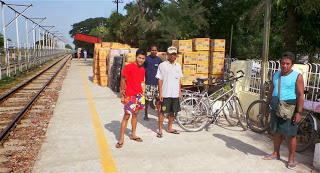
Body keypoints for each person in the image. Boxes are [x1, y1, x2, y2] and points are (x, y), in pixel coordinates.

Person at [263, 51, 304, 170]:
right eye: (283, 63)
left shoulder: (297, 76)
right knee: (276, 131)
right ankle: (276, 153)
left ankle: (291, 159)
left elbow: (301, 95)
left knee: (290, 135)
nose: (285, 66)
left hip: (289, 107)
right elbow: (271, 90)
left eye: (287, 63)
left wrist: (299, 112)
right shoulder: (276, 74)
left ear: (292, 65)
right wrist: (266, 106)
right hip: (275, 105)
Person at [116, 49, 147, 148]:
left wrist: (143, 94)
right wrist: (123, 95)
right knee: (126, 116)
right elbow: (123, 80)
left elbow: (141, 82)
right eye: (139, 58)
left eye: (143, 58)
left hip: (139, 95)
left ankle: (133, 134)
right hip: (130, 96)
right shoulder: (128, 67)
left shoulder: (142, 70)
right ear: (136, 57)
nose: (141, 60)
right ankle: (121, 139)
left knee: (136, 114)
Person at [155, 46, 183, 138]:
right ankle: (160, 130)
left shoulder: (178, 66)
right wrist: (160, 93)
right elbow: (160, 79)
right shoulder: (162, 66)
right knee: (162, 112)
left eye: (174, 54)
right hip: (165, 92)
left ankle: (169, 127)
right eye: (170, 54)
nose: (172, 56)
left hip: (174, 93)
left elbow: (179, 79)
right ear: (167, 54)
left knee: (172, 111)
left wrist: (179, 92)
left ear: (176, 55)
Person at [143, 45, 163, 121]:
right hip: (148, 83)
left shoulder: (159, 60)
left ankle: (158, 113)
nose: (154, 51)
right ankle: (145, 114)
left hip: (157, 84)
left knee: (158, 100)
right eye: (152, 50)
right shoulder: (146, 59)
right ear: (150, 51)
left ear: (157, 51)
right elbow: (142, 69)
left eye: (155, 50)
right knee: (147, 100)